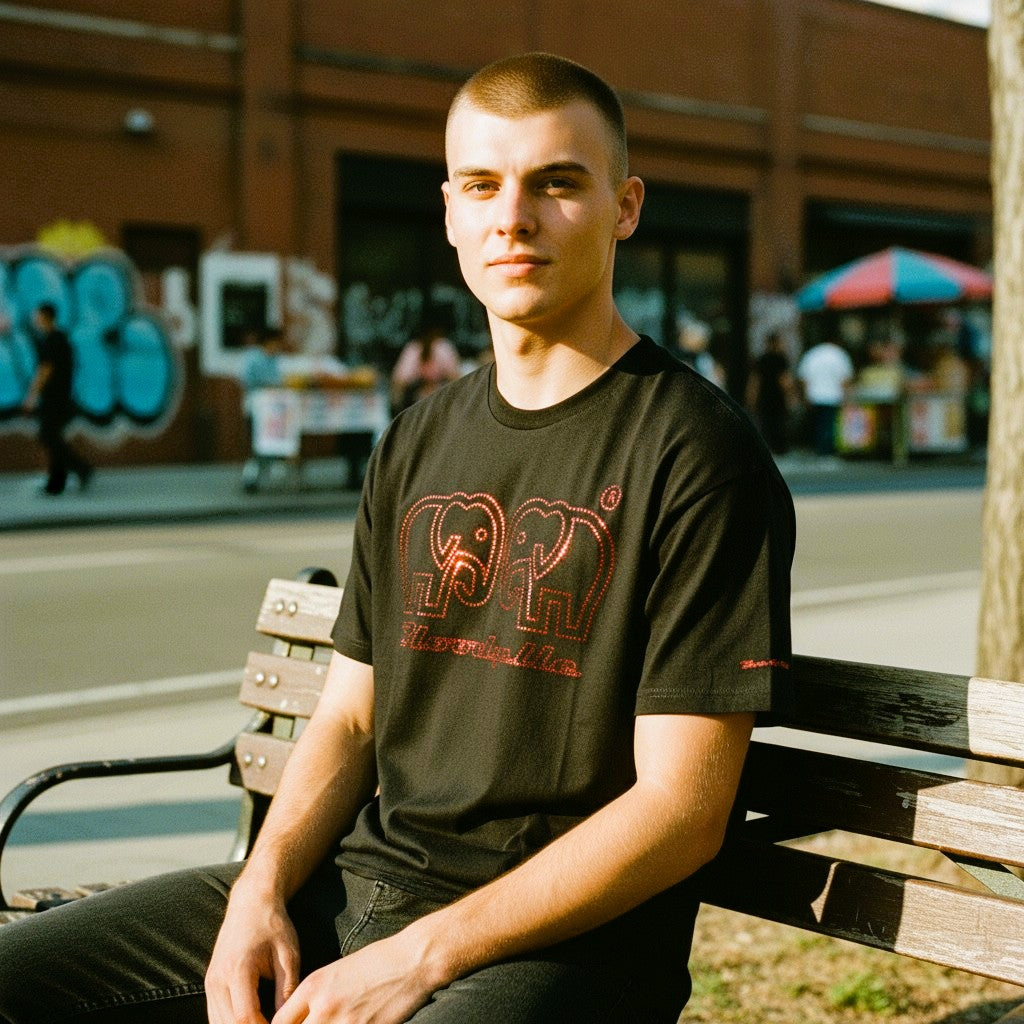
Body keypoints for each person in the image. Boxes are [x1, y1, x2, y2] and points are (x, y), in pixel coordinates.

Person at [0, 52, 794, 1024]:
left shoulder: (698, 451)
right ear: (451, 211)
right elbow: (348, 718)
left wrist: (418, 958)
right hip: (352, 889)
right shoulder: (418, 437)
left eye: (556, 182)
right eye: (482, 185)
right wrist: (257, 887)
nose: (513, 217)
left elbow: (680, 811)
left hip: (560, 952)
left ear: (624, 205)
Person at [21, 302, 93, 495]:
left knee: (48, 436)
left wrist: (31, 395)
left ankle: (80, 468)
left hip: (53, 398)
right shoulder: (62, 339)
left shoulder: (51, 341)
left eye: (38, 316)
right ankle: (57, 482)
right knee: (53, 437)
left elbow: (45, 370)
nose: (35, 320)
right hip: (61, 396)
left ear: (45, 317)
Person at [796, 336, 854, 456]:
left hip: (815, 395)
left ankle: (819, 447)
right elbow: (846, 379)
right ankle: (827, 449)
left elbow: (803, 377)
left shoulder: (812, 354)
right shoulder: (840, 355)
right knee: (830, 424)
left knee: (818, 423)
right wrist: (847, 396)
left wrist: (805, 394)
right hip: (833, 395)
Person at [390, 321, 461, 414]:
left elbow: (455, 378)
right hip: (418, 398)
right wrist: (397, 406)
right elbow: (399, 381)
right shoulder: (414, 349)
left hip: (441, 394)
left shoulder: (442, 347)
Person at [746, 331, 796, 455]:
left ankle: (768, 447)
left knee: (766, 422)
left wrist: (752, 397)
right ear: (776, 343)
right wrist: (790, 395)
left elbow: (755, 380)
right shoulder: (781, 359)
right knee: (779, 422)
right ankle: (779, 447)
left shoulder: (761, 359)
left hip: (764, 396)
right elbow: (784, 379)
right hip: (778, 396)